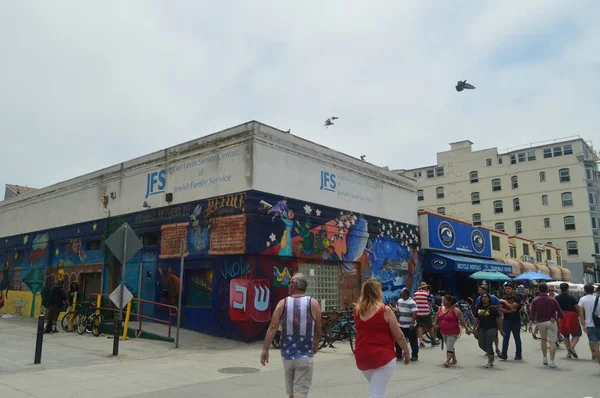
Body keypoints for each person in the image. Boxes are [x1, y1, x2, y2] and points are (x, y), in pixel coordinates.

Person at [261, 273, 322, 398]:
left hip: (287, 356)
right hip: (305, 355)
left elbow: (273, 327)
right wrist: (315, 344)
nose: (288, 285)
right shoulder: (314, 304)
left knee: (292, 393)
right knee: (300, 392)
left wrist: (265, 349)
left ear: (294, 285)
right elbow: (318, 329)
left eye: (289, 283)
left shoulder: (282, 304)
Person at [354, 278, 410, 398]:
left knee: (378, 388)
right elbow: (399, 335)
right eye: (380, 289)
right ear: (377, 292)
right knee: (377, 391)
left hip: (362, 355)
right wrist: (406, 351)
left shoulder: (357, 310)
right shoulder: (385, 310)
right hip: (383, 356)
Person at [528, 283, 563, 368]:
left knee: (543, 340)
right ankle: (552, 361)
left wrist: (530, 324)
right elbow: (560, 312)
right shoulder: (552, 300)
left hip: (541, 322)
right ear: (547, 290)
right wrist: (556, 318)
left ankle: (544, 358)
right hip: (551, 321)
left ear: (539, 290)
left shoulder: (535, 300)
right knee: (552, 342)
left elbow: (532, 313)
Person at [434, 295, 470, 367]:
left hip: (453, 332)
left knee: (449, 346)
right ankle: (454, 359)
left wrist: (466, 328)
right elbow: (437, 317)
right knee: (449, 345)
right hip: (443, 331)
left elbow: (461, 320)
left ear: (450, 302)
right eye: (443, 300)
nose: (443, 302)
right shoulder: (441, 308)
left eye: (445, 300)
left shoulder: (456, 310)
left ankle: (447, 361)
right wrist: (435, 324)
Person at [474, 293, 504, 368]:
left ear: (489, 298)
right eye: (482, 297)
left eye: (485, 297)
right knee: (481, 344)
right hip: (481, 328)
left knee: (488, 344)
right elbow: (476, 319)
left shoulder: (493, 308)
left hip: (491, 328)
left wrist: (501, 329)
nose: (484, 298)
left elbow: (498, 319)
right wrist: (474, 328)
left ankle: (490, 361)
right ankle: (491, 353)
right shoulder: (478, 307)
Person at [556, 282, 581, 359]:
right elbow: (577, 307)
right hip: (572, 316)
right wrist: (577, 315)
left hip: (562, 316)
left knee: (565, 335)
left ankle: (568, 353)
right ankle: (572, 347)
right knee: (577, 333)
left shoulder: (557, 298)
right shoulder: (572, 297)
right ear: (567, 289)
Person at [578, 283, 600, 369]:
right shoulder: (598, 299)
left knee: (595, 345)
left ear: (585, 290)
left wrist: (583, 324)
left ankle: (597, 358)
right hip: (598, 323)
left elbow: (581, 312)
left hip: (589, 324)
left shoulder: (582, 299)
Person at [498, 282, 523, 360]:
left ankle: (518, 354)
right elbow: (500, 308)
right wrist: (508, 311)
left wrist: (505, 302)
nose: (507, 290)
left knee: (517, 337)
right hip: (506, 320)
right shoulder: (503, 297)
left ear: (513, 289)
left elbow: (512, 307)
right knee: (505, 337)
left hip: (516, 320)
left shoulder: (517, 298)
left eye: (509, 288)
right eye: (506, 289)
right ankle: (504, 354)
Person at [475, 285, 501, 356]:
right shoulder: (478, 298)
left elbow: (499, 306)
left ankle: (497, 348)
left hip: (492, 320)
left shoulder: (493, 297)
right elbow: (478, 308)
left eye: (480, 290)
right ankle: (488, 349)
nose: (479, 292)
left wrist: (491, 308)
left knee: (495, 335)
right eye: (478, 290)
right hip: (482, 320)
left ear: (484, 291)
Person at [396, 288, 419, 361]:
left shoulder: (412, 302)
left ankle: (414, 355)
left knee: (413, 341)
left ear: (406, 294)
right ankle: (398, 355)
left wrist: (412, 323)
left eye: (402, 293)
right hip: (401, 325)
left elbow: (414, 313)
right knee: (399, 340)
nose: (400, 295)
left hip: (409, 326)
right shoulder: (399, 301)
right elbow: (398, 310)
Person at [414, 282, 439, 347]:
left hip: (418, 313)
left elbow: (414, 302)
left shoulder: (415, 294)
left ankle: (420, 342)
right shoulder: (427, 294)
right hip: (426, 313)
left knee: (419, 327)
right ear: (425, 287)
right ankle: (433, 341)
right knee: (430, 327)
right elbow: (431, 301)